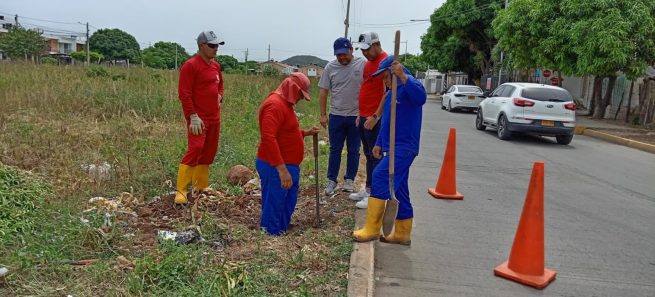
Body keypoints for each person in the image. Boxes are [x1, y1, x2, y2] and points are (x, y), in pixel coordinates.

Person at [352, 56, 427, 245]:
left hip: (405, 147)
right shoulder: (389, 94)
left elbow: (421, 97)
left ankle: (372, 229)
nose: (385, 81)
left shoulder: (409, 86)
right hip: (391, 147)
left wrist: (402, 75)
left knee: (380, 176)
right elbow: (386, 123)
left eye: (386, 77)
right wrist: (379, 143)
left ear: (395, 72)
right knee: (399, 189)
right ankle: (402, 233)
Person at [256, 73, 320, 235]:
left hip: (288, 165)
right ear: (292, 88)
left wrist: (305, 132)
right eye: (300, 94)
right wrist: (282, 170)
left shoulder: (285, 105)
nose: (299, 99)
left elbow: (285, 132)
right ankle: (270, 234)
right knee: (275, 202)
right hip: (276, 166)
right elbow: (268, 138)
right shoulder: (274, 105)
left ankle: (280, 230)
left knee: (287, 201)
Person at [174, 30, 225, 205]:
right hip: (199, 118)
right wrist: (192, 116)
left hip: (214, 117)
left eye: (217, 45)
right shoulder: (190, 66)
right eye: (212, 46)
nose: (215, 49)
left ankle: (200, 186)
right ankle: (181, 190)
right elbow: (184, 94)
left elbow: (220, 86)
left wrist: (220, 95)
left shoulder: (215, 66)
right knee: (196, 148)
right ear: (202, 46)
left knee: (209, 150)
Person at [318, 37, 366, 195]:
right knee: (335, 149)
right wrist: (323, 115)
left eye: (344, 54)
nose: (342, 57)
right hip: (336, 116)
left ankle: (349, 180)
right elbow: (323, 91)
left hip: (356, 116)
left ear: (351, 50)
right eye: (339, 55)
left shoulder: (362, 64)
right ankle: (331, 180)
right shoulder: (330, 67)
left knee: (354, 150)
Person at [349, 32, 388, 209]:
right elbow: (366, 87)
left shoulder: (384, 62)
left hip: (375, 117)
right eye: (362, 50)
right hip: (364, 115)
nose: (364, 53)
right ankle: (368, 188)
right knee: (368, 155)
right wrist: (360, 113)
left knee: (376, 155)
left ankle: (375, 194)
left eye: (367, 49)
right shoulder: (368, 64)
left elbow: (387, 93)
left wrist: (375, 116)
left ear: (377, 44)